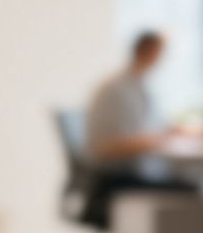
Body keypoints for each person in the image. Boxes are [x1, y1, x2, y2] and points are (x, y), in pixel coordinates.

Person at [84, 30, 196, 201]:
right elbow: (107, 147)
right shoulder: (116, 89)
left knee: (195, 179)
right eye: (161, 52)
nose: (162, 59)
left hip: (137, 170)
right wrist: (160, 139)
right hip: (116, 178)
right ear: (149, 50)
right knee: (195, 188)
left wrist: (174, 132)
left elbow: (153, 126)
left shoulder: (140, 85)